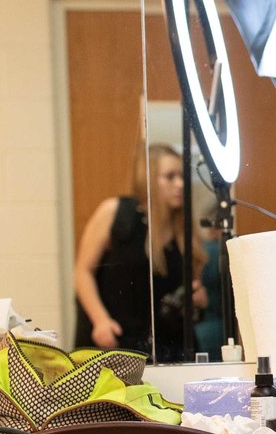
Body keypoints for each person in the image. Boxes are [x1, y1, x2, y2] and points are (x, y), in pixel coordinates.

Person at [73, 143, 194, 362]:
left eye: (182, 176)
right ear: (148, 179)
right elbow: (83, 271)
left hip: (167, 346)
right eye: (170, 176)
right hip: (114, 337)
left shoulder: (184, 229)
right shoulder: (116, 212)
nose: (180, 184)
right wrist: (100, 320)